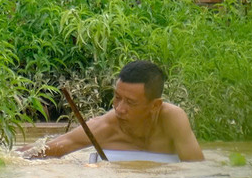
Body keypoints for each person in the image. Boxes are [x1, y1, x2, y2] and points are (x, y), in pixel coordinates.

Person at [19, 60, 204, 162]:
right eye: (117, 97)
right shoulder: (106, 126)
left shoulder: (172, 119)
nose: (119, 109)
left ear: (155, 105)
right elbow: (51, 148)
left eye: (131, 102)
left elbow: (195, 171)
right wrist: (6, 158)